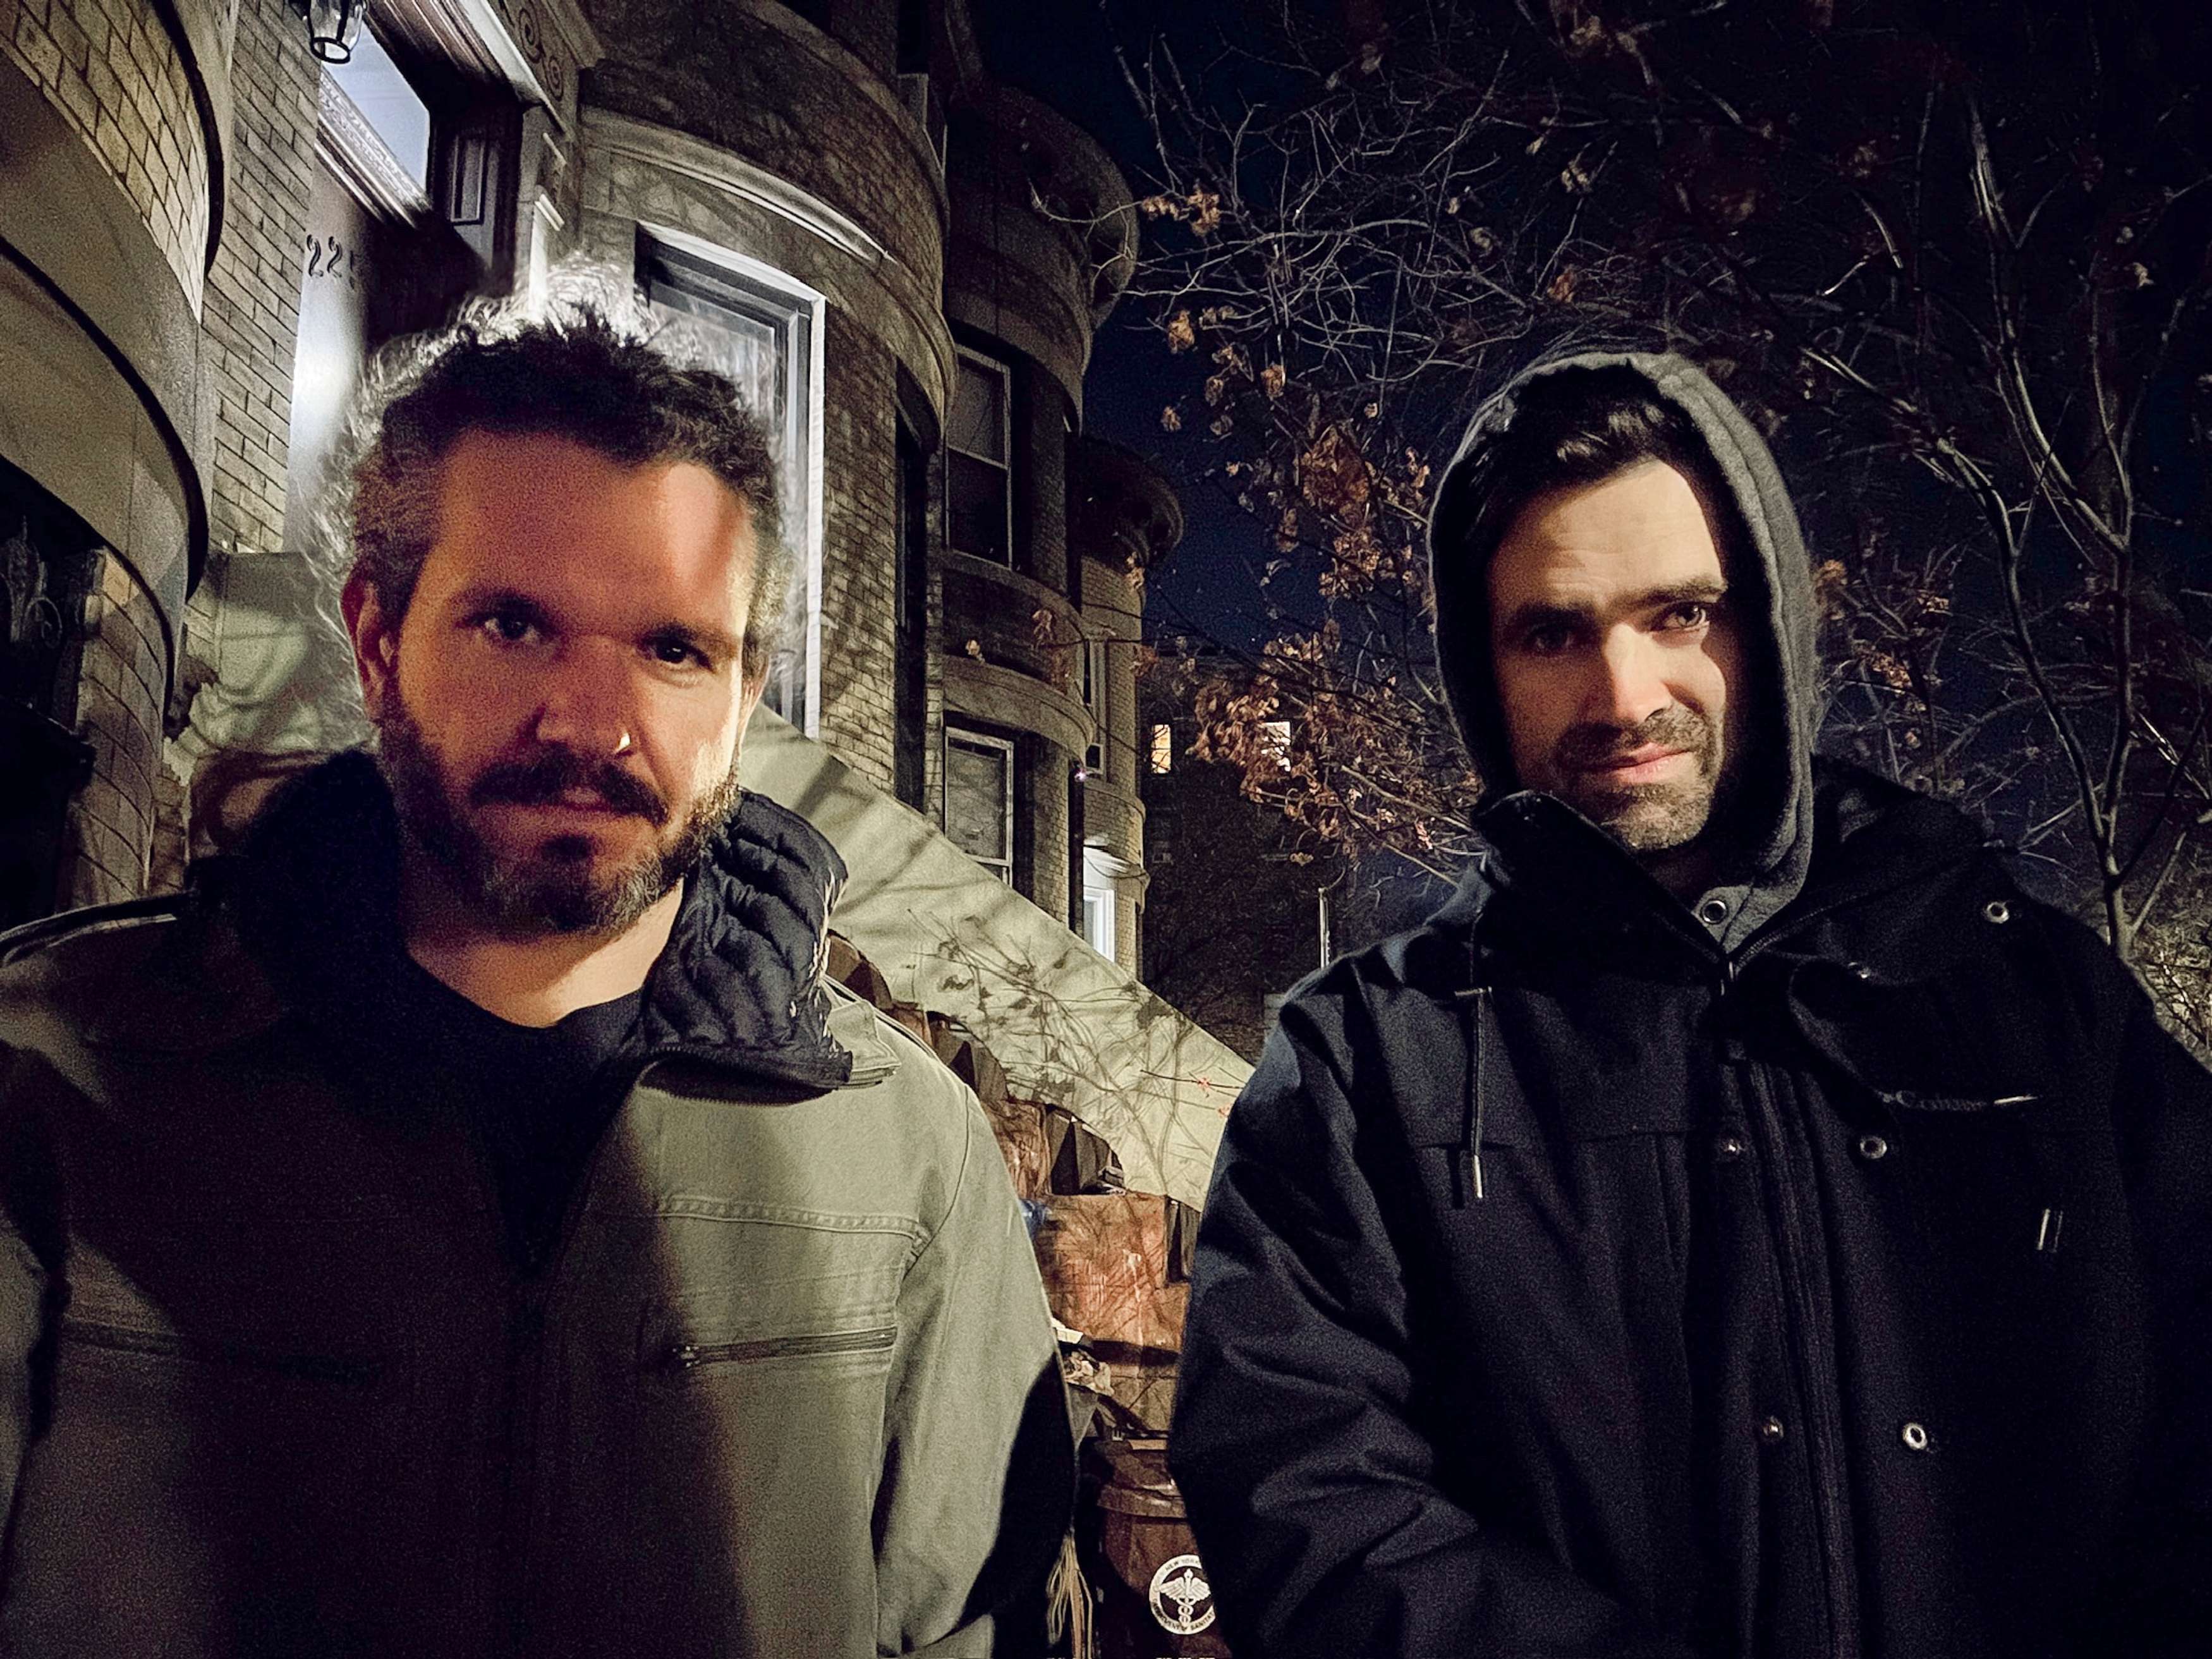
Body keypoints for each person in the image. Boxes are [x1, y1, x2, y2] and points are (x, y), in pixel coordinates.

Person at [0, 312, 1071, 1656]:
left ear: (743, 696)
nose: (594, 722)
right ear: (377, 640)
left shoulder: (909, 1155)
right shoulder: (58, 1065)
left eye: (674, 649)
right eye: (514, 623)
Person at [1169, 350, 2212, 1658]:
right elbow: (1306, 1505)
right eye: (1553, 632)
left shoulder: (2033, 999)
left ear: (1765, 623)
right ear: (1483, 671)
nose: (1624, 696)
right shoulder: (1365, 1062)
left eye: (1678, 614)